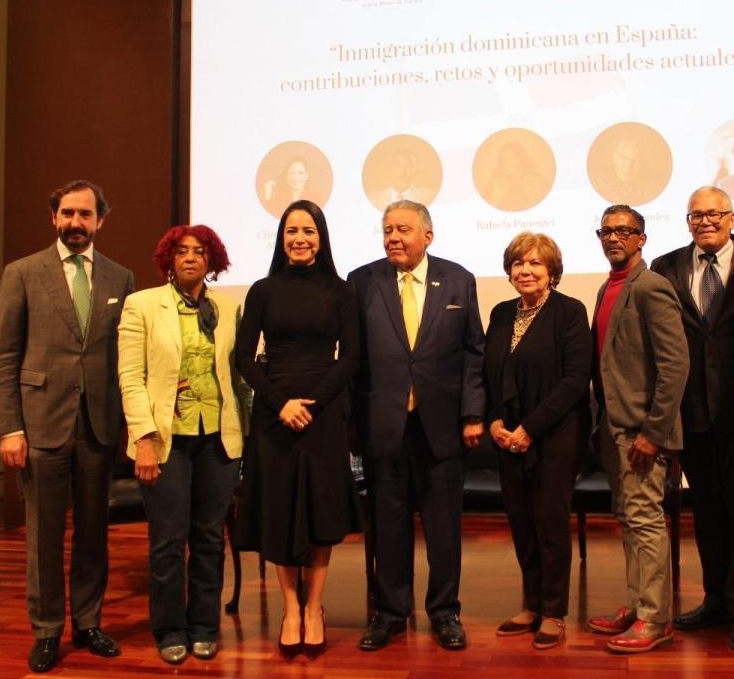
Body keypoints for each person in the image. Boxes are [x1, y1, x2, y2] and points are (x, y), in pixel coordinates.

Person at [0, 180, 134, 673]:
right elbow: (4, 356)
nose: (76, 222)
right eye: (68, 213)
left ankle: (89, 621)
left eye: (86, 215)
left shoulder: (121, 278)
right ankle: (47, 630)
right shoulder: (22, 273)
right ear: (54, 217)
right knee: (44, 536)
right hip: (40, 424)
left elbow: (124, 358)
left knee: (94, 531)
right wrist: (9, 427)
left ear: (100, 221)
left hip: (98, 427)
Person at [348, 200, 486, 651]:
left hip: (442, 425)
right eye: (387, 229)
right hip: (383, 423)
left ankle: (445, 613)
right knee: (388, 527)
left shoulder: (459, 279)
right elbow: (353, 358)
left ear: (428, 235)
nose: (393, 238)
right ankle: (390, 613)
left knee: (444, 527)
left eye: (403, 229)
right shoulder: (362, 281)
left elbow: (473, 353)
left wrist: (472, 413)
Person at [234, 199, 361, 658]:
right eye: (291, 231)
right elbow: (244, 357)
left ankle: (314, 606)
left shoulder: (341, 290)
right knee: (280, 508)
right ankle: (290, 607)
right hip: (275, 414)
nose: (300, 239)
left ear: (321, 237)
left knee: (320, 512)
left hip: (322, 413)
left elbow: (350, 357)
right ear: (281, 238)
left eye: (308, 230)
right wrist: (279, 403)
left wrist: (314, 403)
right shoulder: (262, 290)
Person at [117, 225, 245, 664]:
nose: (191, 258)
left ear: (213, 261)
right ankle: (170, 628)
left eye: (200, 252)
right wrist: (144, 440)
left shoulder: (228, 309)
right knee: (168, 540)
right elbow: (131, 379)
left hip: (218, 439)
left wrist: (244, 440)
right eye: (182, 251)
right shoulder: (143, 305)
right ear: (169, 258)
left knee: (209, 538)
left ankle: (205, 626)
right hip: (164, 442)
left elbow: (238, 378)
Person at [650, 186, 734, 652]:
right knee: (708, 514)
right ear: (687, 221)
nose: (705, 221)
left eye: (714, 214)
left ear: (732, 218)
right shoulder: (667, 266)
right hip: (691, 410)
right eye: (696, 215)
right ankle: (716, 599)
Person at [587, 204, 689, 653]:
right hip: (614, 430)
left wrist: (654, 433)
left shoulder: (651, 287)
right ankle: (638, 603)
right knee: (631, 521)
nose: (614, 238)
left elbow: (675, 365)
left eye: (624, 231)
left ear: (642, 239)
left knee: (647, 523)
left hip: (643, 433)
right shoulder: (607, 288)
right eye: (606, 231)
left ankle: (655, 618)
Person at [484, 233, 591, 650]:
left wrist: (531, 428)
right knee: (522, 524)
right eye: (518, 263)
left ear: (552, 272)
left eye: (535, 264)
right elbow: (487, 373)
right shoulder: (499, 313)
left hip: (554, 436)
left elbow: (575, 380)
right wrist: (494, 420)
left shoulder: (569, 312)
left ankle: (553, 612)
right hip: (506, 437)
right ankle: (530, 605)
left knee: (549, 525)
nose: (525, 271)